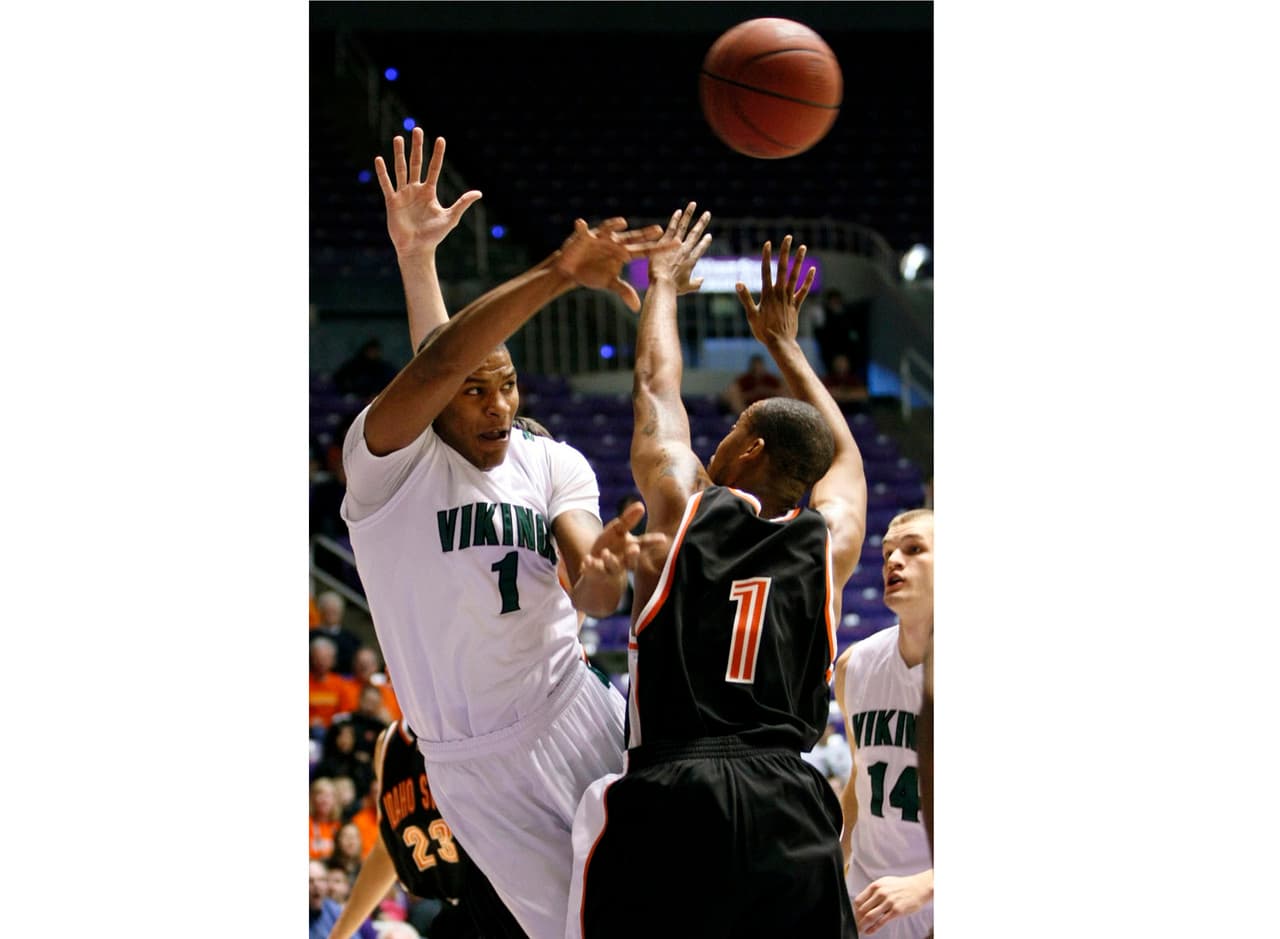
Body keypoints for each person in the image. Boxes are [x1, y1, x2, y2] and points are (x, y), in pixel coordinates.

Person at [340, 128, 671, 939]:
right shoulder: (387, 464)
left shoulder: (549, 461)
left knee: (666, 909)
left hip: (573, 707)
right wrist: (553, 271)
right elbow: (437, 361)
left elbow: (593, 581)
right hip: (470, 763)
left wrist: (602, 570)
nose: (496, 404)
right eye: (477, 391)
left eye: (510, 386)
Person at [567, 207, 868, 939]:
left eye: (733, 427)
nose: (722, 433)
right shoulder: (830, 543)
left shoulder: (683, 508)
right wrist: (787, 345)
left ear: (753, 445)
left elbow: (654, 388)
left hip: (677, 787)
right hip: (788, 797)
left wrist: (664, 283)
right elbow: (847, 459)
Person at [328, 719, 527, 939]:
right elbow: (387, 850)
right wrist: (339, 935)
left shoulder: (480, 721)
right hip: (455, 912)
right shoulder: (389, 744)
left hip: (513, 905)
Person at [834, 508, 934, 937]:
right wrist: (835, 863)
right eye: (889, 551)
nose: (894, 560)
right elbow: (861, 773)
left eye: (914, 549)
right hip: (867, 909)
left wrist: (927, 885)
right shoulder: (854, 665)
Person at [720, 351, 784, 415]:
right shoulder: (743, 380)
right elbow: (732, 395)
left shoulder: (772, 380)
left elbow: (781, 393)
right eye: (756, 366)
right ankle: (744, 418)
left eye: (760, 366)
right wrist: (752, 394)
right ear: (751, 367)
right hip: (748, 409)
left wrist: (767, 391)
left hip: (770, 409)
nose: (758, 369)